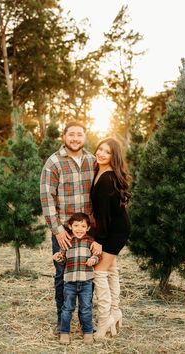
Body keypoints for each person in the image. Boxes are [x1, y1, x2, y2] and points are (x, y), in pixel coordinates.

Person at [40, 121, 99, 334]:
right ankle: (61, 319)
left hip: (88, 231)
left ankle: (86, 319)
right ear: (64, 136)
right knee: (62, 274)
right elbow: (47, 197)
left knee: (89, 272)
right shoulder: (54, 162)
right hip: (64, 231)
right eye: (71, 134)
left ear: (84, 137)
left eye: (79, 134)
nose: (75, 138)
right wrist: (57, 229)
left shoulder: (93, 161)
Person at [90, 137, 131, 340]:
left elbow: (104, 214)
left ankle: (104, 319)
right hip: (114, 227)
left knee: (99, 271)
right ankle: (115, 312)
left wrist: (99, 240)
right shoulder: (100, 171)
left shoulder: (107, 178)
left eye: (107, 152)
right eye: (100, 149)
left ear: (114, 157)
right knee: (111, 269)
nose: (101, 153)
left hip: (115, 230)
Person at [53, 212, 99, 345]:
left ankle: (88, 332)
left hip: (86, 282)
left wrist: (93, 259)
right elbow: (63, 259)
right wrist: (58, 257)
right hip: (70, 283)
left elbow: (97, 256)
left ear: (88, 228)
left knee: (86, 307)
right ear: (70, 226)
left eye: (83, 226)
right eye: (76, 225)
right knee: (67, 308)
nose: (79, 229)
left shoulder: (90, 241)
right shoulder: (67, 242)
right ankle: (64, 332)